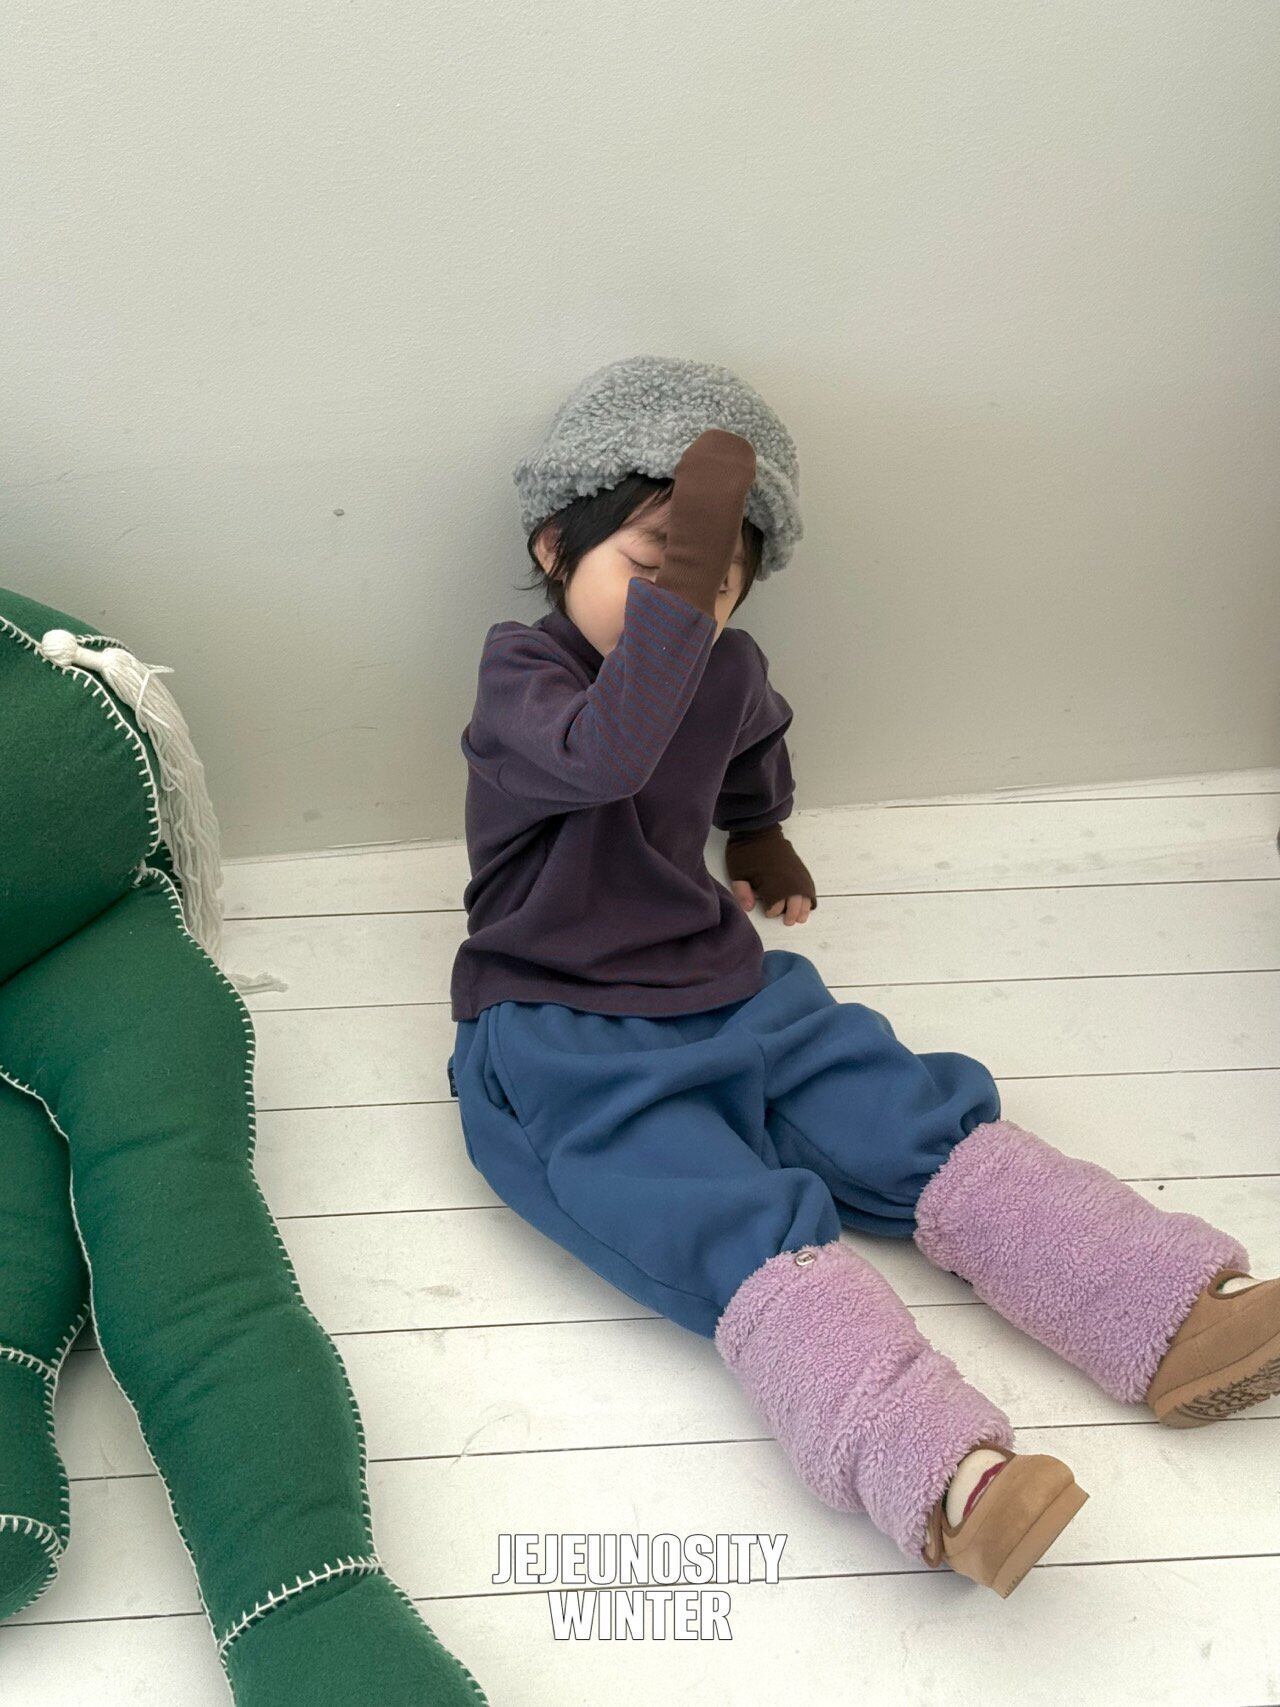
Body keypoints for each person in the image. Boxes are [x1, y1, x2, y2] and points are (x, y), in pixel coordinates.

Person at [447, 354, 1279, 1599]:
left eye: (715, 582)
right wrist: (692, 573)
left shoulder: (722, 665)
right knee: (731, 1222)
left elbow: (749, 732)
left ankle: (1164, 1311)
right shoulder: (524, 676)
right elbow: (612, 753)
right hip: (560, 1024)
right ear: (553, 546)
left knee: (908, 1118)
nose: (688, 605)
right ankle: (947, 1478)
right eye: (654, 563)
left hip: (724, 980)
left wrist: (757, 833)